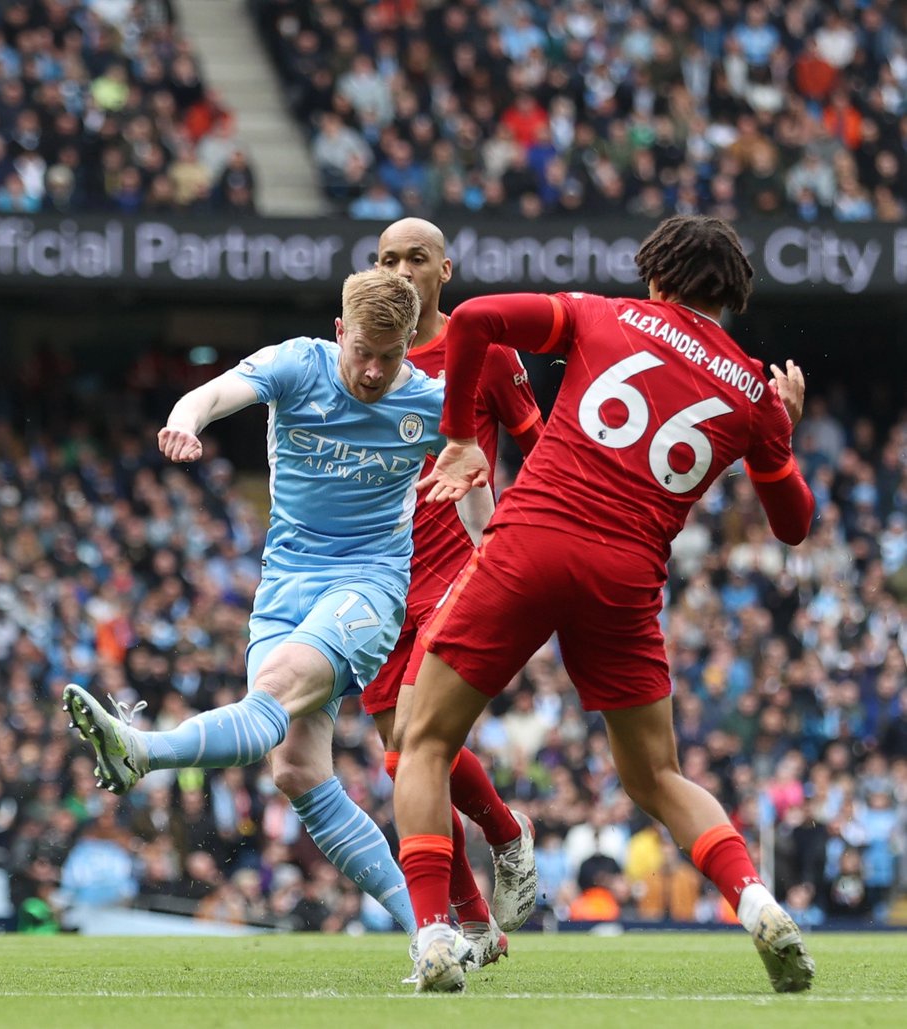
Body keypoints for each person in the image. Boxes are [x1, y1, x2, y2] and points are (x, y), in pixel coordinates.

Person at [399, 215, 816, 993]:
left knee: (422, 739)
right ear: (731, 298)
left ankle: (432, 936)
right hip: (626, 576)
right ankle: (755, 898)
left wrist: (460, 434)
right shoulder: (754, 390)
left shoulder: (602, 312)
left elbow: (480, 319)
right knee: (657, 773)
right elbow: (794, 527)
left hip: (533, 542)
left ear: (656, 277)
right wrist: (781, 433)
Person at [63, 269, 492, 961]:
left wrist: (489, 548)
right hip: (285, 584)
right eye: (364, 353)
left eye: (391, 354)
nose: (376, 370)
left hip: (369, 586)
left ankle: (142, 749)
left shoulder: (430, 402)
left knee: (276, 687)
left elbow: (467, 471)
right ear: (339, 333)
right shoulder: (298, 363)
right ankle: (428, 934)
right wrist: (184, 420)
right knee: (295, 770)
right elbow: (214, 391)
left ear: (411, 343)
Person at [369, 218, 545, 963]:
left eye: (416, 258)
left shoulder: (486, 352)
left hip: (462, 565)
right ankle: (475, 918)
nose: (402, 270)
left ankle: (502, 834)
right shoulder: (363, 358)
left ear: (446, 268)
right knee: (397, 758)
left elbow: (541, 448)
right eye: (387, 260)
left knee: (417, 741)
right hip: (374, 575)